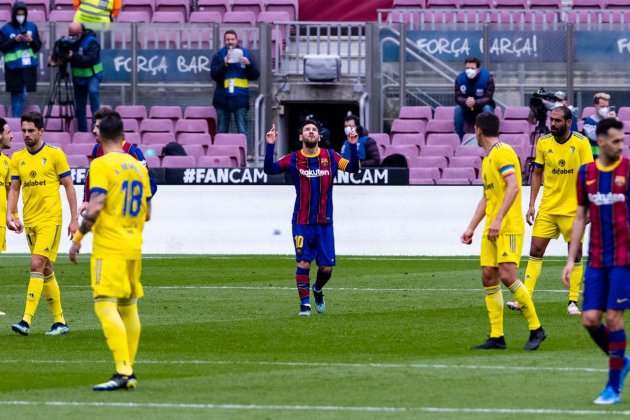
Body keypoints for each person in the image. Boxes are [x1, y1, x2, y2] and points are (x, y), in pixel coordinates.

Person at [69, 113, 152, 391]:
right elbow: (148, 213)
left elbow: (97, 203)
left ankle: (123, 370)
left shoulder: (101, 164)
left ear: (101, 137)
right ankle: (129, 369)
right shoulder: (138, 167)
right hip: (134, 245)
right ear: (123, 135)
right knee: (128, 307)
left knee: (104, 304)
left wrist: (78, 237)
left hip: (110, 246)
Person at [461, 112, 546, 351]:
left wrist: (498, 219)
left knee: (508, 276)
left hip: (507, 226)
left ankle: (536, 328)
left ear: (478, 130)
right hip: (492, 228)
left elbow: (514, 186)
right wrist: (471, 227)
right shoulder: (488, 159)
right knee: (488, 275)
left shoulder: (503, 152)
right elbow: (486, 198)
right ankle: (497, 336)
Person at [562, 118, 630, 405]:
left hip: (624, 259)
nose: (621, 146)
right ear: (600, 141)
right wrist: (570, 258)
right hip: (596, 259)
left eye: (622, 140)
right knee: (590, 320)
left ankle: (612, 388)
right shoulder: (585, 173)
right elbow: (580, 216)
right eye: (616, 141)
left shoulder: (628, 169)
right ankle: (621, 360)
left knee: (613, 318)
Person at [264, 120, 359, 316]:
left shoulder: (330, 156)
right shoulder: (293, 158)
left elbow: (353, 169)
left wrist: (352, 145)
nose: (311, 132)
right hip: (301, 221)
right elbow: (269, 170)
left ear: (319, 136)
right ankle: (304, 305)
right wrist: (270, 145)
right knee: (304, 263)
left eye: (314, 129)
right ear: (301, 137)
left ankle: (317, 289)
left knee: (325, 268)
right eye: (307, 129)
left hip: (324, 222)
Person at [506, 106, 593, 315]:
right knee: (535, 250)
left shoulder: (581, 143)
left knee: (576, 254)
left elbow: (590, 176)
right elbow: (537, 173)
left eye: (557, 121)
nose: (553, 124)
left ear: (568, 122)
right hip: (548, 208)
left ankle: (572, 301)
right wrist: (531, 204)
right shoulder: (544, 142)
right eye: (551, 120)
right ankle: (524, 299)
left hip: (574, 210)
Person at [7, 111, 79, 336]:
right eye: (24, 130)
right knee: (46, 269)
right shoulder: (18, 158)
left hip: (51, 219)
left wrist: (74, 219)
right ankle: (60, 322)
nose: (26, 135)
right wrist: (12, 215)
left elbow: (68, 185)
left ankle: (25, 320)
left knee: (36, 264)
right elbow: (15, 188)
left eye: (31, 130)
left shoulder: (55, 154)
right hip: (30, 221)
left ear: (41, 131)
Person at [78, 107, 157, 215]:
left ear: (108, 129)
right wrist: (86, 200)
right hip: (102, 216)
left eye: (97, 127)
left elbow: (150, 184)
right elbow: (90, 176)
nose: (94, 130)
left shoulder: (133, 152)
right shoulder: (97, 149)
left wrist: (130, 206)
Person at [210, 30, 260, 144]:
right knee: (222, 131)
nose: (230, 42)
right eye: (228, 39)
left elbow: (255, 75)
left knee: (242, 131)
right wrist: (224, 65)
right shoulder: (219, 55)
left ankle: (243, 156)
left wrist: (249, 64)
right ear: (224, 41)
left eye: (232, 39)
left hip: (240, 98)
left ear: (236, 40)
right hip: (222, 99)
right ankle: (222, 156)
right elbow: (214, 75)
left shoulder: (246, 54)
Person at [0, 2, 42, 118]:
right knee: (17, 94)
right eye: (18, 14)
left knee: (23, 94)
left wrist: (31, 40)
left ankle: (16, 119)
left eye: (23, 14)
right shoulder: (5, 29)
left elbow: (38, 46)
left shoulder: (32, 27)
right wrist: (15, 40)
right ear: (14, 14)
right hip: (13, 69)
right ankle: (16, 119)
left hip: (28, 68)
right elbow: (2, 47)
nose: (20, 16)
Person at [67, 22, 103, 132]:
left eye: (74, 34)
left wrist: (74, 55)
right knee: (79, 106)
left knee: (93, 92)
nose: (72, 37)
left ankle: (97, 124)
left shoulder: (92, 42)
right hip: (78, 78)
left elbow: (90, 59)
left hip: (92, 75)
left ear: (81, 32)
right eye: (71, 34)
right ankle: (82, 131)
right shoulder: (70, 42)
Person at [454, 56, 495, 142]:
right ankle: (460, 139)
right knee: (457, 109)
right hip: (467, 109)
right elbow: (457, 97)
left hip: (481, 108)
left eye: (472, 68)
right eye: (467, 68)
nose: (469, 70)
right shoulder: (460, 78)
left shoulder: (487, 77)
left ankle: (488, 136)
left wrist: (475, 102)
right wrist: (465, 101)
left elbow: (488, 97)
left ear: (478, 69)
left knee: (487, 108)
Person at [0, 118, 12, 317]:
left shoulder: (6, 162)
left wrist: (13, 215)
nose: (11, 136)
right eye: (8, 132)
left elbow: (11, 191)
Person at [583, 92, 617, 158]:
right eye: (602, 106)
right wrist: (606, 122)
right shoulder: (589, 121)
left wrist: (615, 122)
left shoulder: (610, 120)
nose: (605, 109)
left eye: (607, 106)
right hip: (593, 158)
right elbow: (594, 137)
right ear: (596, 106)